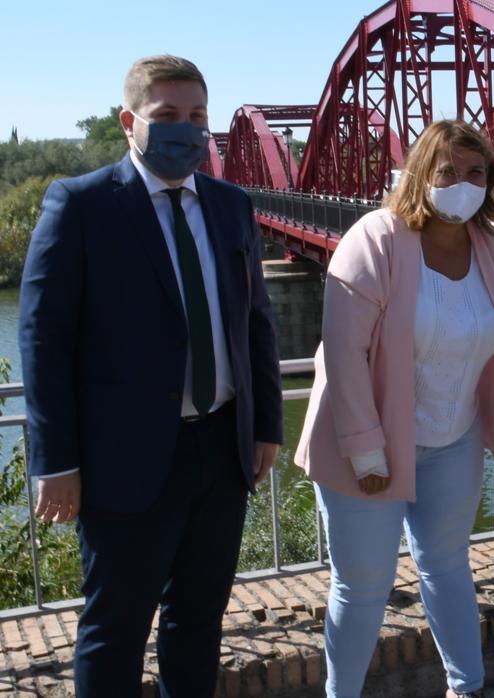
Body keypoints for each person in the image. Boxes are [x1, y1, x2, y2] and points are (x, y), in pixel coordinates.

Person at [19, 55, 284, 696]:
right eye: (167, 116)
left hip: (221, 450)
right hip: (123, 460)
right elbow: (43, 337)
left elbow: (255, 322)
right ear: (128, 120)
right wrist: (55, 461)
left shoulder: (229, 205)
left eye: (197, 117)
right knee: (115, 630)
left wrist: (266, 425)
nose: (185, 129)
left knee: (198, 623)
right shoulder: (80, 204)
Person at [294, 119, 494, 698]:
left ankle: (466, 688)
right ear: (422, 174)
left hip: (453, 440)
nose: (462, 182)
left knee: (449, 564)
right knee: (364, 584)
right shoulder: (375, 239)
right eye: (448, 170)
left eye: (475, 172)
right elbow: (345, 352)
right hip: (365, 444)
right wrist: (366, 452)